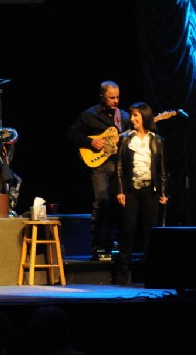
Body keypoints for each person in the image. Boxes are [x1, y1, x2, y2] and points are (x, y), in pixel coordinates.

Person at [68, 80, 131, 261]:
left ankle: (113, 245)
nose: (115, 101)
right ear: (102, 97)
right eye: (111, 98)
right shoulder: (89, 115)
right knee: (101, 202)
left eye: (117, 97)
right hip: (99, 166)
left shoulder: (124, 117)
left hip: (119, 166)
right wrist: (90, 142)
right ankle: (97, 247)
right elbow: (72, 134)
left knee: (117, 204)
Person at [114, 102, 167, 285]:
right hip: (131, 191)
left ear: (144, 116)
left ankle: (150, 275)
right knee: (127, 232)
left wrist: (163, 192)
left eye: (136, 115)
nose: (133, 118)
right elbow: (119, 168)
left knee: (149, 235)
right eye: (132, 115)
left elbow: (161, 170)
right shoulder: (127, 139)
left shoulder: (157, 140)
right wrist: (120, 191)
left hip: (150, 192)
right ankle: (122, 276)